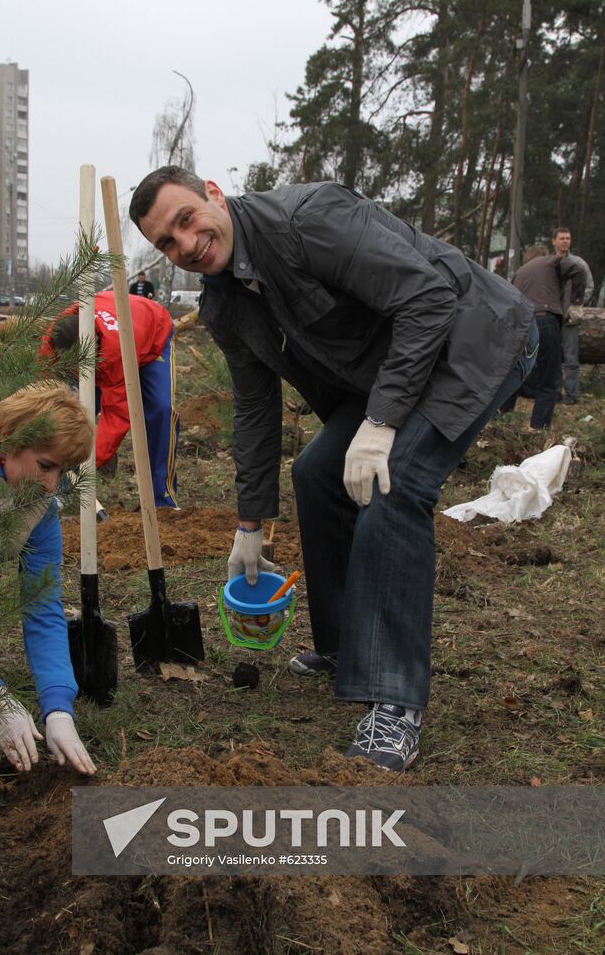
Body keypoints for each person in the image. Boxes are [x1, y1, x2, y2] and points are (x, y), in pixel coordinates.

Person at [129, 167, 536, 772]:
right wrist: (249, 523)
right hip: (396, 367)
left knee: (396, 486)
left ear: (213, 193)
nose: (186, 244)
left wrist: (382, 421)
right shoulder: (223, 304)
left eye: (186, 220)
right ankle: (347, 647)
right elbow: (255, 410)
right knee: (317, 472)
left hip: (474, 337)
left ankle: (395, 703)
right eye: (166, 242)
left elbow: (428, 298)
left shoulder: (309, 219)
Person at [0, 382, 97, 775]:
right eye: (46, 465)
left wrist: (58, 707)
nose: (52, 484)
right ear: (9, 441)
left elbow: (42, 607)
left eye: (62, 471)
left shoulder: (39, 510)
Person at [40, 290, 179, 508]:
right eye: (72, 364)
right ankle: (61, 488)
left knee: (161, 410)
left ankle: (162, 500)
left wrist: (92, 460)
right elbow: (44, 391)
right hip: (111, 320)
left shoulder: (116, 351)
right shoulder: (54, 338)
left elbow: (117, 414)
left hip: (153, 331)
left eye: (82, 363)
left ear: (94, 345)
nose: (78, 370)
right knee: (70, 408)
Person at [500, 245, 585, 429]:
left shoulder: (519, 273)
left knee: (512, 378)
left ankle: (500, 423)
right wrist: (577, 302)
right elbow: (579, 270)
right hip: (545, 320)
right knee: (548, 383)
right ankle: (539, 430)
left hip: (520, 326)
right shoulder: (552, 261)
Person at [551, 227, 593, 404]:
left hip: (570, 317)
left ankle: (571, 394)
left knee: (571, 357)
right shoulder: (549, 263)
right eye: (562, 238)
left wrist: (576, 305)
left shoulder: (579, 264)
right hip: (552, 315)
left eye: (568, 238)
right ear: (554, 241)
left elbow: (589, 286)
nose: (565, 241)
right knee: (553, 356)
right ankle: (554, 392)